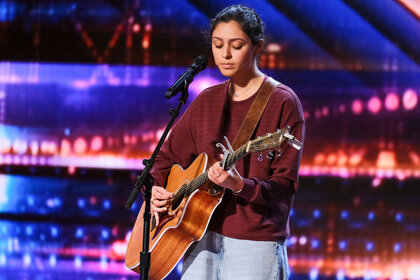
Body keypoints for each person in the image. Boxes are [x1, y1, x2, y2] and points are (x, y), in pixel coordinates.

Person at [149, 4, 305, 280]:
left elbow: (285, 185)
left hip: (255, 241)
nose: (225, 54)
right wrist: (155, 191)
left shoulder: (282, 101)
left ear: (258, 47)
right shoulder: (207, 100)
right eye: (217, 44)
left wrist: (239, 185)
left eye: (237, 45)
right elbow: (164, 158)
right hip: (198, 234)